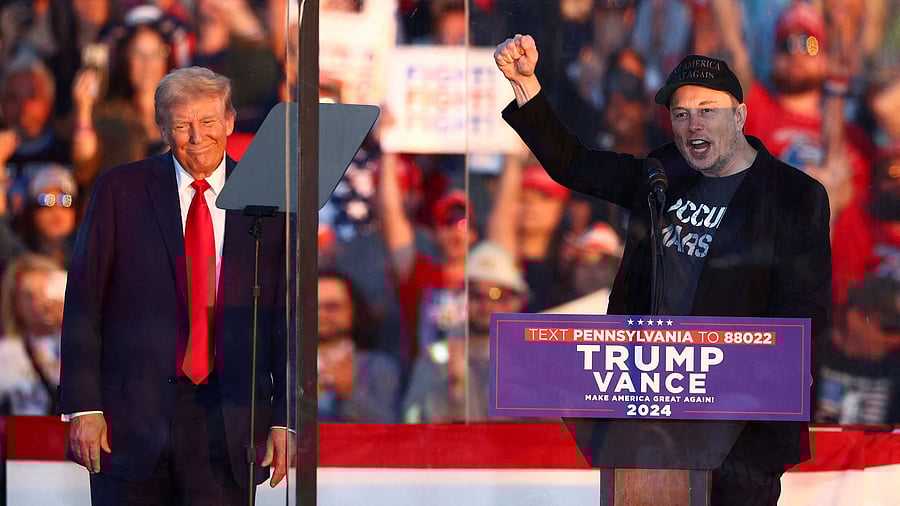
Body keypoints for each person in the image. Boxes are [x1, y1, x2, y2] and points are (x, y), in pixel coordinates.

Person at [494, 34, 831, 505]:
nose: (693, 124)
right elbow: (575, 164)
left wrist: (733, 368)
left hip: (740, 431)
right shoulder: (662, 174)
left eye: (707, 110)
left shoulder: (794, 194)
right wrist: (526, 84)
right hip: (648, 418)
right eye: (680, 113)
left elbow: (805, 312)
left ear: (739, 116)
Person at [57, 66, 291, 505]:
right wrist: (84, 406)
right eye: (182, 124)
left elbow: (286, 316)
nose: (197, 136)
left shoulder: (268, 201)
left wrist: (285, 419)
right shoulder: (118, 190)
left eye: (207, 122)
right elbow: (83, 302)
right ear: (163, 128)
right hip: (128, 424)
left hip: (230, 424)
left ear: (229, 121)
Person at [317, 269, 401, 423]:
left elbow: (393, 428)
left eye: (332, 306)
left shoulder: (380, 367)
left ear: (353, 310)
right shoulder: (284, 365)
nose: (321, 314)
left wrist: (349, 393)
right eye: (313, 307)